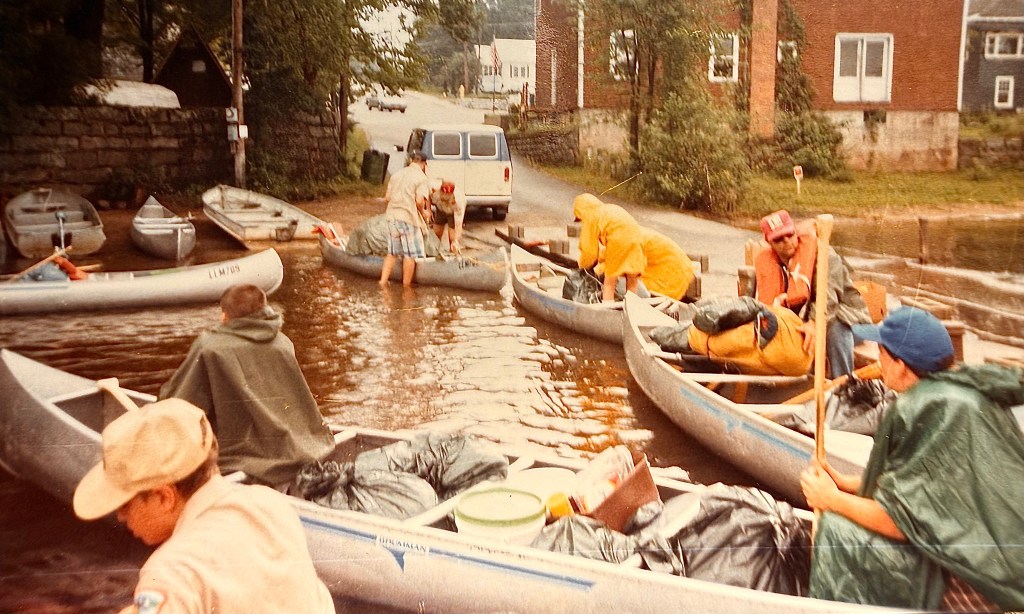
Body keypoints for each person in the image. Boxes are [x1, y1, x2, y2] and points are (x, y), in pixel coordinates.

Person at [800, 307, 1024, 611]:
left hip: (974, 583)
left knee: (836, 529)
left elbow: (902, 521)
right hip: (1003, 562)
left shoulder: (926, 407)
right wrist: (845, 484)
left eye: (882, 354)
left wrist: (831, 499)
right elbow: (930, 486)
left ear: (901, 366)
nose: (878, 362)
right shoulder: (961, 392)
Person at [73, 398, 336, 614]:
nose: (120, 516)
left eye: (124, 505)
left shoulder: (169, 572)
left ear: (164, 497)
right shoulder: (270, 503)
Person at [159, 284, 334, 488]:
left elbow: (180, 403)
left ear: (224, 316)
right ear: (263, 311)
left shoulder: (209, 346)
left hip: (244, 455)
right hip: (299, 446)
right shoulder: (282, 342)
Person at [753, 209, 870, 378]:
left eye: (789, 234)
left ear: (795, 232)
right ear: (769, 242)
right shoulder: (768, 263)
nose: (786, 241)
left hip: (850, 319)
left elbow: (829, 300)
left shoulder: (826, 256)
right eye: (778, 239)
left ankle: (844, 382)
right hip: (804, 319)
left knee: (835, 326)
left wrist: (814, 323)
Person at [573, 193, 645, 302]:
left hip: (618, 240)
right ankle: (632, 306)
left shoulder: (590, 216)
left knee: (610, 280)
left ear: (580, 211)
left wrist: (582, 268)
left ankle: (607, 306)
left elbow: (589, 252)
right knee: (632, 278)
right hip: (638, 238)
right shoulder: (609, 209)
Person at [379, 151, 431, 286]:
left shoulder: (396, 174)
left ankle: (382, 282)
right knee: (410, 255)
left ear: (411, 161)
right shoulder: (422, 178)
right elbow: (419, 201)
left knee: (392, 253)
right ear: (424, 164)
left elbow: (387, 198)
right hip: (408, 218)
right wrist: (424, 212)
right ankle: (406, 288)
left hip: (392, 217)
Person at [637, 227, 694, 301]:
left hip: (671, 272)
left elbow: (631, 276)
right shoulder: (630, 232)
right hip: (676, 265)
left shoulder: (631, 240)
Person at [429, 178, 466, 254]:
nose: (445, 197)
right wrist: (428, 209)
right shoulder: (433, 189)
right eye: (444, 195)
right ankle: (434, 251)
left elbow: (458, 225)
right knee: (436, 233)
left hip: (452, 211)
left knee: (452, 236)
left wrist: (455, 240)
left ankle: (453, 252)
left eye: (448, 196)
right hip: (440, 208)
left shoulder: (458, 201)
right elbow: (426, 198)